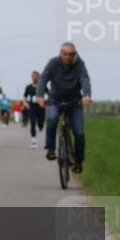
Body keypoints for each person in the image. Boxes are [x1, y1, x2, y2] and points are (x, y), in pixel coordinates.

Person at [37, 42, 92, 171]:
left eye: (71, 55)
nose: (68, 57)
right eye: (65, 54)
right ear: (60, 54)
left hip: (74, 102)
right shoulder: (53, 63)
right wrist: (39, 96)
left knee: (79, 132)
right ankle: (51, 149)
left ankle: (78, 162)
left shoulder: (79, 64)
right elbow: (43, 79)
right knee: (52, 119)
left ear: (75, 54)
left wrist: (86, 95)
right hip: (55, 100)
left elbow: (85, 79)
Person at [23, 70, 45, 148]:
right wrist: (25, 103)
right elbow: (25, 96)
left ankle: (40, 126)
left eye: (36, 77)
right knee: (32, 122)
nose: (35, 78)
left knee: (40, 123)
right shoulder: (28, 87)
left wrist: (45, 102)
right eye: (33, 77)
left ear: (39, 77)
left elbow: (48, 95)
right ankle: (33, 140)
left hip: (41, 107)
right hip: (32, 107)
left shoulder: (43, 86)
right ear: (32, 77)